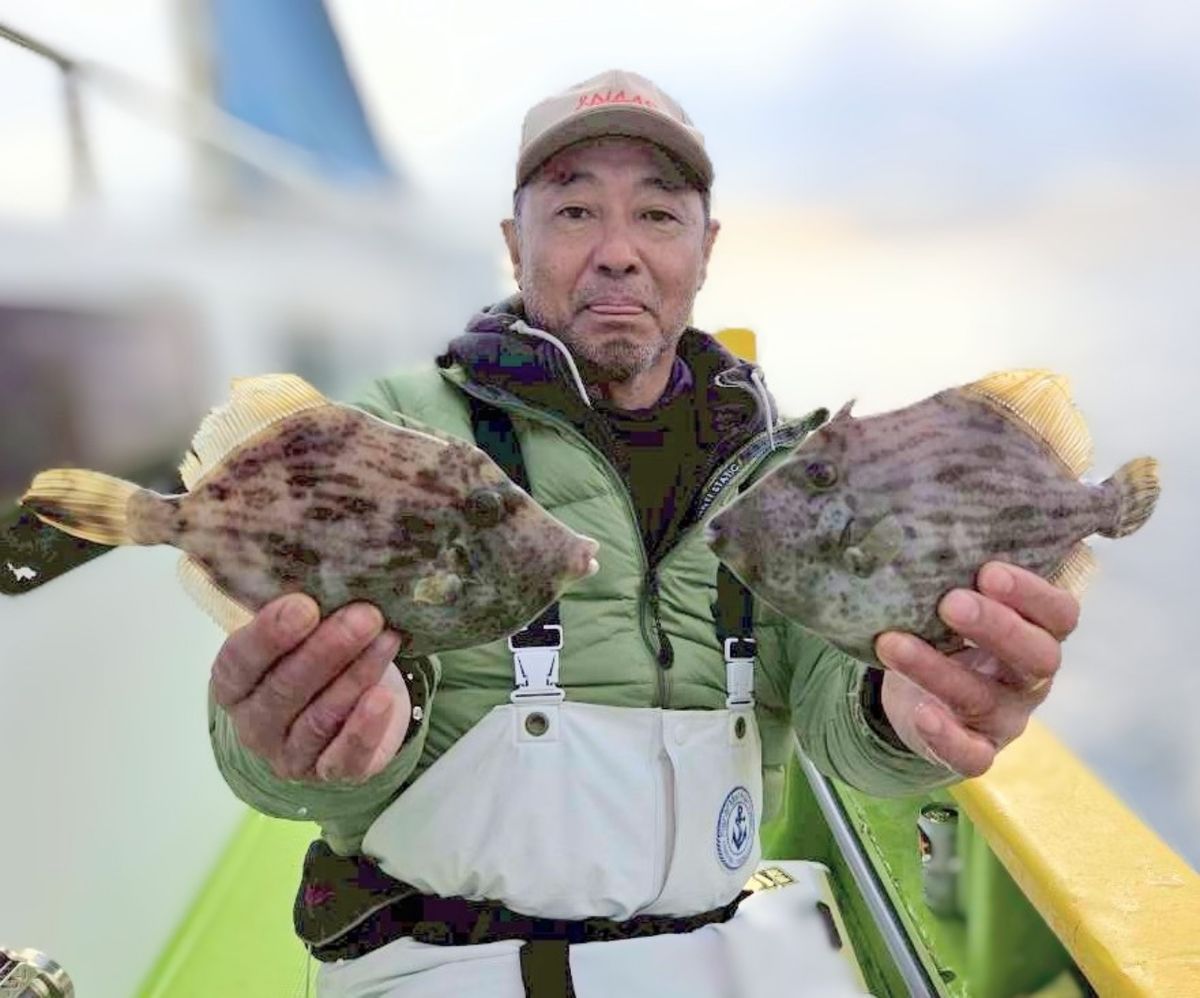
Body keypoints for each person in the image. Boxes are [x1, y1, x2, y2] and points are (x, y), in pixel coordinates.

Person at [208, 70, 1079, 997]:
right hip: (439, 966)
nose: (618, 252)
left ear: (707, 248)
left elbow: (840, 718)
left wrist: (908, 713)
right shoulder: (397, 432)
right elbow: (268, 751)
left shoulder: (773, 468)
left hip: (711, 957)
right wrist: (288, 742)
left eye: (659, 216)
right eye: (575, 211)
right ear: (516, 242)